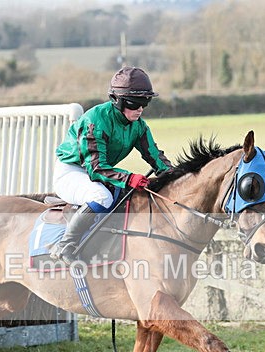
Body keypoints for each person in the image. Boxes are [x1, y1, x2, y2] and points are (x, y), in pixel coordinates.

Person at [50, 66, 173, 265]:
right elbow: (96, 168)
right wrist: (129, 178)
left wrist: (177, 176)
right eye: (135, 103)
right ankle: (66, 245)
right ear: (118, 101)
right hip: (72, 171)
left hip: (99, 173)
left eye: (145, 103)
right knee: (101, 196)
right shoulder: (95, 121)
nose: (140, 109)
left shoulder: (138, 125)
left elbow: (156, 157)